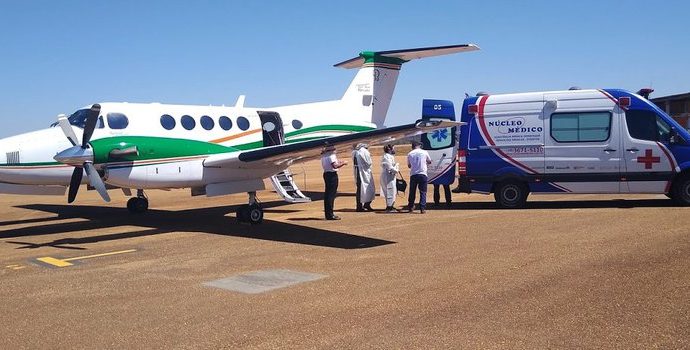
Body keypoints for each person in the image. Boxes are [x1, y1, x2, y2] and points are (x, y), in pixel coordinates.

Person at [321, 147, 347, 220]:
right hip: (332, 175)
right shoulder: (331, 155)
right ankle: (330, 214)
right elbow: (335, 166)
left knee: (328, 195)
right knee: (331, 195)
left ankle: (328, 213)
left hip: (326, 173)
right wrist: (343, 163)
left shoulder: (324, 155)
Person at [406, 140, 432, 214]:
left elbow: (409, 165)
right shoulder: (424, 152)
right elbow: (429, 161)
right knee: (423, 192)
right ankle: (422, 208)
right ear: (418, 146)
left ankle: (411, 207)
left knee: (412, 192)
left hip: (413, 174)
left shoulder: (410, 154)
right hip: (423, 174)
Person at [352, 143, 375, 211]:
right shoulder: (364, 151)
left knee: (359, 189)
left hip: (358, 171)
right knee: (367, 189)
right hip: (364, 172)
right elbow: (369, 162)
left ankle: (360, 205)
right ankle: (366, 205)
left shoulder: (355, 151)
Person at [380, 144, 400, 213]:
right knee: (390, 190)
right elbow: (390, 168)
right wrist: (396, 168)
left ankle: (391, 205)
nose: (394, 150)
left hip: (390, 176)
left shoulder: (389, 156)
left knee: (392, 191)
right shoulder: (386, 157)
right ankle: (389, 207)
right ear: (389, 149)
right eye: (393, 148)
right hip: (387, 177)